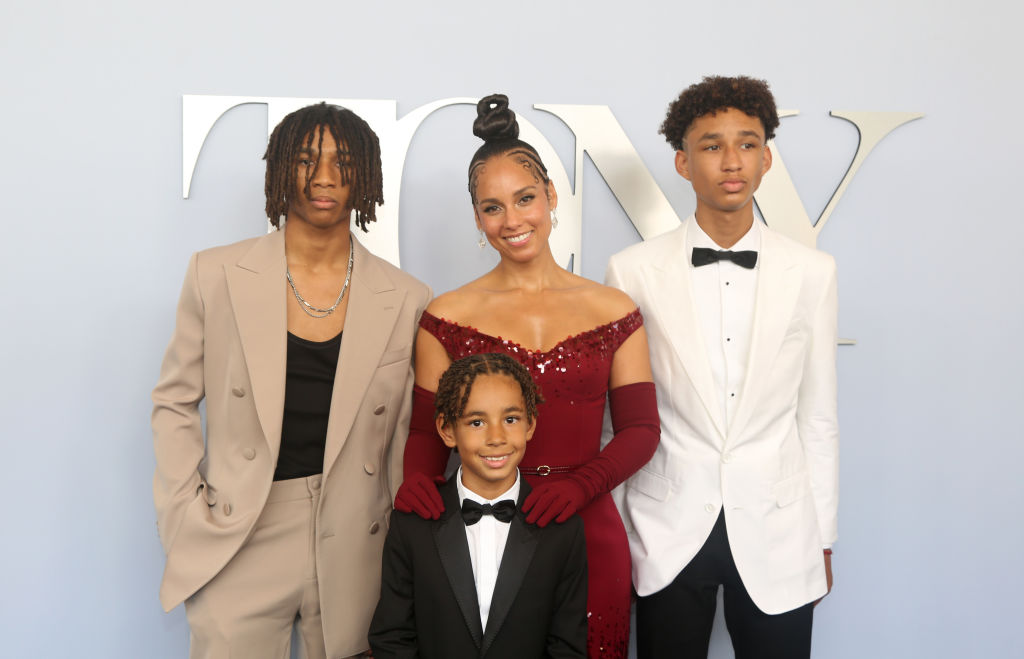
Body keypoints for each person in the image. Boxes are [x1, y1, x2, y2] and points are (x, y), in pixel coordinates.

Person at [151, 102, 431, 659]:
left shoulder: (407, 296)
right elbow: (174, 401)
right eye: (305, 160)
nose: (324, 177)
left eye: (342, 161)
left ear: (365, 175)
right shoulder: (216, 274)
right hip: (242, 529)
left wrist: (405, 547)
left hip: (358, 537)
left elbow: (407, 435)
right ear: (280, 168)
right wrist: (184, 512)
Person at [392, 93, 659, 659]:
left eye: (525, 198)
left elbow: (641, 430)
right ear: (477, 217)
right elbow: (424, 431)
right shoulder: (445, 316)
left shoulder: (614, 310)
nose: (512, 221)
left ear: (551, 196)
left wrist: (580, 487)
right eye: (493, 207)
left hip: (588, 532)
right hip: (474, 538)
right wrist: (416, 481)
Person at [606, 75, 839, 659]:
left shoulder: (814, 272)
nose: (731, 161)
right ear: (683, 163)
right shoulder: (631, 270)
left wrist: (823, 536)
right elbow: (619, 416)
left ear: (767, 159)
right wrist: (614, 531)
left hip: (780, 528)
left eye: (748, 144)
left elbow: (817, 416)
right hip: (664, 527)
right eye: (712, 146)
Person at [369, 353, 588, 658]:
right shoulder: (412, 525)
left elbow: (567, 647)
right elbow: (392, 638)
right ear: (447, 430)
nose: (496, 437)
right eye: (476, 422)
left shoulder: (563, 531)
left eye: (510, 419)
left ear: (530, 425)